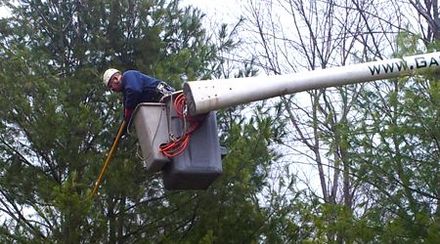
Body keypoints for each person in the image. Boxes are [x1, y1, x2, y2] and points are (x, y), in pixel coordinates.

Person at [102, 68, 175, 122]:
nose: (112, 90)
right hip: (159, 106)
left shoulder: (128, 75)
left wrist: (128, 109)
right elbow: (127, 115)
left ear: (115, 79)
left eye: (111, 86)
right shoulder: (126, 93)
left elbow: (134, 90)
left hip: (165, 97)